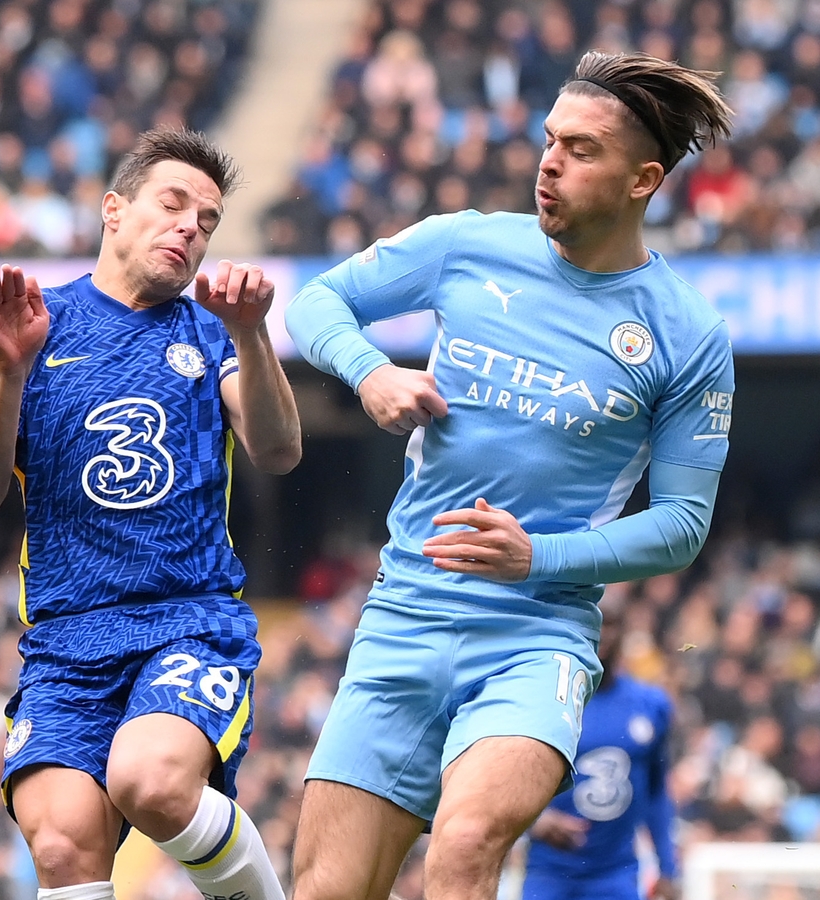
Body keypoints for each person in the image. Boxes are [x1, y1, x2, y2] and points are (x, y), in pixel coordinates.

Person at [281, 51, 734, 900]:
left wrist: (540, 558)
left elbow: (681, 524)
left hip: (535, 640)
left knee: (465, 844)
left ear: (643, 181)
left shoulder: (688, 333)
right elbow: (314, 301)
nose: (550, 163)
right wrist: (370, 372)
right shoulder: (467, 244)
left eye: (581, 150)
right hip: (403, 617)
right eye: (549, 141)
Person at [0, 127, 303, 900]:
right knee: (61, 842)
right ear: (114, 210)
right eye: (174, 204)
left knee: (149, 781)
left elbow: (277, 450)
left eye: (207, 221)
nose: (191, 228)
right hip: (66, 638)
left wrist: (252, 332)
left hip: (187, 618)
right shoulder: (33, 326)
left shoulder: (212, 330)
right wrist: (9, 372)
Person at [523, 608, 678, 900]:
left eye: (613, 624)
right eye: (594, 622)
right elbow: (510, 779)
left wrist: (668, 867)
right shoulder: (546, 700)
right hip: (549, 871)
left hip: (616, 873)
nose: (603, 633)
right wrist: (535, 821)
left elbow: (657, 791)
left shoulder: (651, 704)